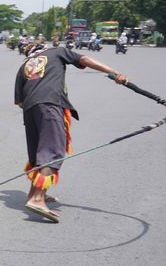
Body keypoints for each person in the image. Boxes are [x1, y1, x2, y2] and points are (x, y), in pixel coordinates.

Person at [14, 42, 128, 223]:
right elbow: (84, 59)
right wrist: (114, 73)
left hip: (30, 110)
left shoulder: (23, 67)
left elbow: (19, 102)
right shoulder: (57, 51)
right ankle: (37, 199)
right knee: (53, 151)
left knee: (39, 153)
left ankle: (32, 194)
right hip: (50, 104)